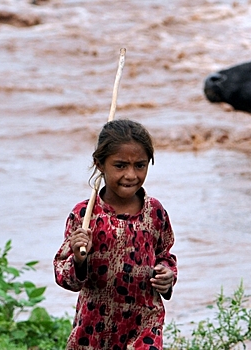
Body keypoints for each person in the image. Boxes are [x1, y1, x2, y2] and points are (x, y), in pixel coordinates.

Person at [54, 119, 178, 350]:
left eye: (140, 165)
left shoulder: (155, 212)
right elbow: (64, 276)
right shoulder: (85, 215)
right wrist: (79, 260)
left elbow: (164, 255)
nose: (131, 175)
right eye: (120, 165)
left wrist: (167, 275)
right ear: (100, 164)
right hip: (95, 326)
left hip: (144, 323)